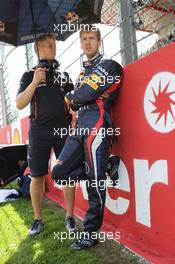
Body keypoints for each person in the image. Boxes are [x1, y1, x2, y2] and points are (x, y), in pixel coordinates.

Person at [52, 25, 123, 249]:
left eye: (91, 38)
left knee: (94, 184)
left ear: (99, 41)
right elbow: (78, 98)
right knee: (59, 172)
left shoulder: (110, 66)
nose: (87, 42)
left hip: (97, 126)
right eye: (83, 39)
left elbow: (82, 95)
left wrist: (73, 95)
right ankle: (107, 164)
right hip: (79, 128)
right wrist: (74, 96)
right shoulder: (83, 73)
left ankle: (91, 233)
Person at [16, 33, 77, 236]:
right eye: (48, 45)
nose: (53, 47)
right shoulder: (27, 76)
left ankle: (69, 216)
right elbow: (19, 104)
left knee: (67, 173)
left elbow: (75, 102)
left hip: (62, 128)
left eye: (54, 44)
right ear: (38, 50)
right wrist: (35, 82)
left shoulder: (64, 76)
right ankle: (37, 219)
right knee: (37, 176)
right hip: (38, 131)